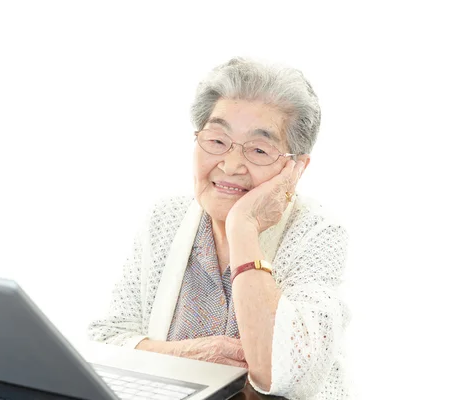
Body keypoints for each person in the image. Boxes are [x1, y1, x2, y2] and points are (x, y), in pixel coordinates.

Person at [88, 57, 350, 399]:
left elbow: (282, 374)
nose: (230, 164)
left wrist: (243, 226)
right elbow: (106, 341)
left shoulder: (317, 233)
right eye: (216, 141)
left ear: (296, 168)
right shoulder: (166, 219)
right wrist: (186, 358)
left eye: (259, 149)